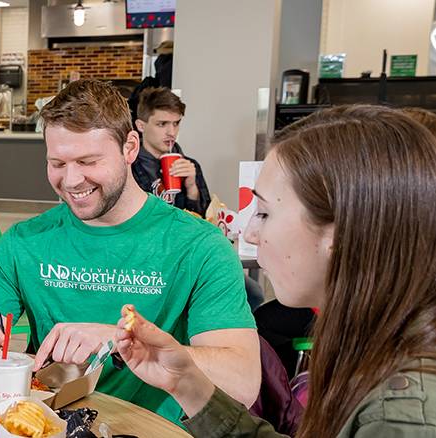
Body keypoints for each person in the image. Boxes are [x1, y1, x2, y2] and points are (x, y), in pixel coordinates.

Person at [115, 105, 436, 437]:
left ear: (339, 233)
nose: (251, 233)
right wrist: (185, 381)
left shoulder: (404, 414)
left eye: (264, 213)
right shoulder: (374, 345)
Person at [0, 80, 260, 424]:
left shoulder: (199, 245)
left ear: (130, 147)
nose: (71, 181)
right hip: (46, 425)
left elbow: (243, 382)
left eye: (88, 161)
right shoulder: (24, 242)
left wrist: (126, 342)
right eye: (57, 163)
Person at [132, 87, 211, 216]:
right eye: (162, 124)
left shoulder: (191, 166)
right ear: (141, 126)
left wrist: (192, 189)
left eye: (176, 123)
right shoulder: (128, 167)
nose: (172, 132)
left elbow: (205, 223)